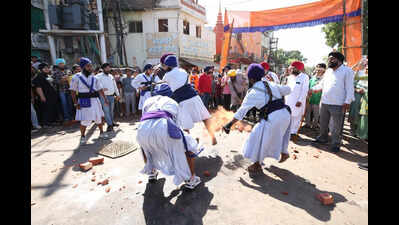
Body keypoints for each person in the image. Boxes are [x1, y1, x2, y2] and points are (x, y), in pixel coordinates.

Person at [223, 63, 292, 173]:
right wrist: (276, 88)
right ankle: (284, 152)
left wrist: (229, 124)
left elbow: (241, 112)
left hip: (273, 117)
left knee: (256, 139)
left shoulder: (253, 92)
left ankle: (257, 164)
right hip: (286, 114)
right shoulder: (271, 84)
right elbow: (288, 90)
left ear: (251, 79)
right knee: (282, 134)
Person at [137, 94, 204, 189]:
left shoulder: (148, 101)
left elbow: (145, 116)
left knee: (145, 148)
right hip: (163, 124)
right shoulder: (173, 102)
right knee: (187, 146)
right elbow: (178, 125)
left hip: (143, 127)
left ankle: (151, 172)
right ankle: (190, 180)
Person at [160, 54, 217, 145]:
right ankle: (213, 136)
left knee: (184, 123)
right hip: (194, 96)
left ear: (168, 65)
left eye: (165, 65)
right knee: (205, 117)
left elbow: (163, 85)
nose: (164, 67)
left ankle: (189, 144)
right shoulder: (183, 71)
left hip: (182, 100)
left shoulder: (167, 75)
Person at [310, 52, 355, 153]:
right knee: (323, 123)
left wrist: (347, 101)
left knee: (336, 126)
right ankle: (322, 138)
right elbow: (322, 84)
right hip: (325, 102)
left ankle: (335, 144)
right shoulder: (328, 72)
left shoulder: (347, 71)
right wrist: (313, 89)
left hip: (338, 104)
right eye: (329, 59)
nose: (329, 61)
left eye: (332, 59)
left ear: (339, 60)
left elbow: (350, 88)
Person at [70, 57, 110, 145]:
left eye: (91, 66)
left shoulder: (94, 78)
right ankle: (83, 137)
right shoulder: (76, 77)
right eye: (88, 66)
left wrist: (105, 99)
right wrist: (76, 102)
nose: (90, 68)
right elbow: (72, 91)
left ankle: (102, 133)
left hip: (95, 101)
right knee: (84, 120)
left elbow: (100, 89)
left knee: (98, 117)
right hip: (84, 101)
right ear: (83, 67)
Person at [284, 61, 309, 140]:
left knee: (296, 117)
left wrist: (300, 101)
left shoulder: (305, 77)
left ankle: (293, 133)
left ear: (298, 69)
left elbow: (304, 90)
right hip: (288, 100)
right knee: (288, 116)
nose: (291, 70)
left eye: (293, 68)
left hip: (297, 102)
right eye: (291, 68)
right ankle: (288, 132)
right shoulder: (290, 77)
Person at [32, 63, 60, 127]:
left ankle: (52, 121)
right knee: (46, 110)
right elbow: (38, 87)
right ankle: (46, 123)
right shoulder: (39, 76)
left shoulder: (47, 75)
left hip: (51, 96)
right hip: (45, 96)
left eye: (48, 67)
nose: (47, 69)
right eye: (45, 68)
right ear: (41, 69)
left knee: (51, 109)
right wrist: (42, 96)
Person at [95, 63, 121, 132]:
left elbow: (115, 86)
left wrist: (118, 94)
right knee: (106, 111)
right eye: (106, 68)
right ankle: (109, 125)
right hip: (104, 96)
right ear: (103, 69)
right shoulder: (98, 76)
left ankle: (112, 122)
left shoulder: (111, 76)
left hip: (112, 96)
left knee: (111, 110)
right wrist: (101, 89)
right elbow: (95, 86)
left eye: (109, 68)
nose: (108, 69)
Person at [348, 58, 368, 135]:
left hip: (366, 94)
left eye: (366, 63)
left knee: (364, 113)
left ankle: (362, 131)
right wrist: (356, 90)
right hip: (357, 93)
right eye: (363, 63)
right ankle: (352, 129)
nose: (365, 64)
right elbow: (351, 83)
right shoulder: (356, 72)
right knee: (354, 110)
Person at [52, 58, 74, 124]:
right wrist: (63, 79)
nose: (62, 65)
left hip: (69, 90)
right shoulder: (55, 72)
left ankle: (71, 117)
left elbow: (71, 78)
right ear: (57, 64)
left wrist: (69, 77)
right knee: (64, 105)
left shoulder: (67, 71)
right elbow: (56, 82)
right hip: (61, 91)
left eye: (62, 63)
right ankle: (67, 118)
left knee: (70, 104)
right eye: (60, 64)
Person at [304, 63, 326, 129]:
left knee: (316, 114)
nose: (318, 70)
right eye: (317, 68)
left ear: (323, 70)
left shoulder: (325, 79)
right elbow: (308, 88)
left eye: (319, 68)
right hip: (310, 99)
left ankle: (315, 126)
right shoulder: (312, 78)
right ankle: (307, 124)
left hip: (318, 100)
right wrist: (307, 96)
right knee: (308, 112)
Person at [356, 63, 368, 141]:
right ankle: (363, 134)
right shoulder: (364, 78)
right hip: (365, 100)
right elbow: (356, 79)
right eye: (367, 69)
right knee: (364, 117)